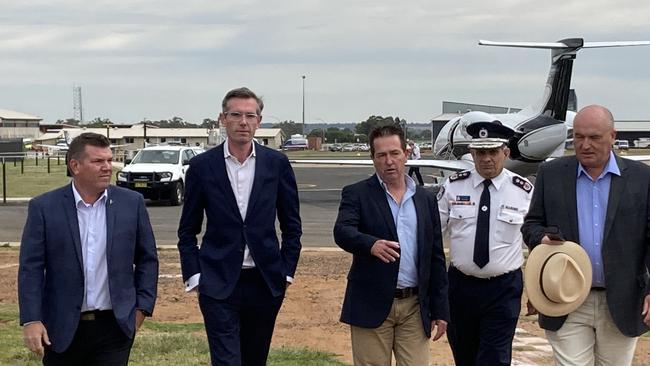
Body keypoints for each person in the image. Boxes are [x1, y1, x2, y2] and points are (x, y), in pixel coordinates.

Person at [177, 87, 302, 366]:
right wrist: (195, 275)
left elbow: (292, 225)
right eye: (235, 115)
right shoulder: (201, 166)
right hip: (218, 281)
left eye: (250, 115)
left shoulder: (277, 164)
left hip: (266, 281)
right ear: (223, 118)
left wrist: (287, 272)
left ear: (259, 120)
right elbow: (187, 230)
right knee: (227, 361)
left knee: (255, 359)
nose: (243, 122)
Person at [521, 104, 650, 366]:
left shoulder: (642, 178)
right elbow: (531, 224)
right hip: (564, 299)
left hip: (622, 301)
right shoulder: (551, 174)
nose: (585, 145)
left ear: (613, 136)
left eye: (594, 137)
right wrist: (541, 238)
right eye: (578, 137)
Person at [18, 132, 159, 365]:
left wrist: (141, 308)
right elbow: (30, 268)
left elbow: (147, 259)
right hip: (60, 328)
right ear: (75, 165)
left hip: (115, 327)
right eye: (97, 161)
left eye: (109, 160)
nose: (107, 167)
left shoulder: (131, 203)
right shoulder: (44, 208)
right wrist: (31, 319)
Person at [333, 125, 449, 365]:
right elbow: (342, 231)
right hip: (371, 303)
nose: (389, 161)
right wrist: (370, 244)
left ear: (406, 153)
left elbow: (435, 256)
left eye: (395, 153)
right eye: (381, 155)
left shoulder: (425, 199)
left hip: (415, 308)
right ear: (372, 158)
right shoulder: (357, 194)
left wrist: (440, 310)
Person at [437, 116, 532, 366]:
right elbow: (432, 234)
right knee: (464, 356)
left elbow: (537, 243)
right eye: (480, 152)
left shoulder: (523, 191)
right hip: (460, 288)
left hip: (503, 289)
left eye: (492, 151)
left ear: (505, 152)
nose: (486, 158)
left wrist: (537, 288)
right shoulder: (453, 187)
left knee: (494, 359)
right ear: (471, 153)